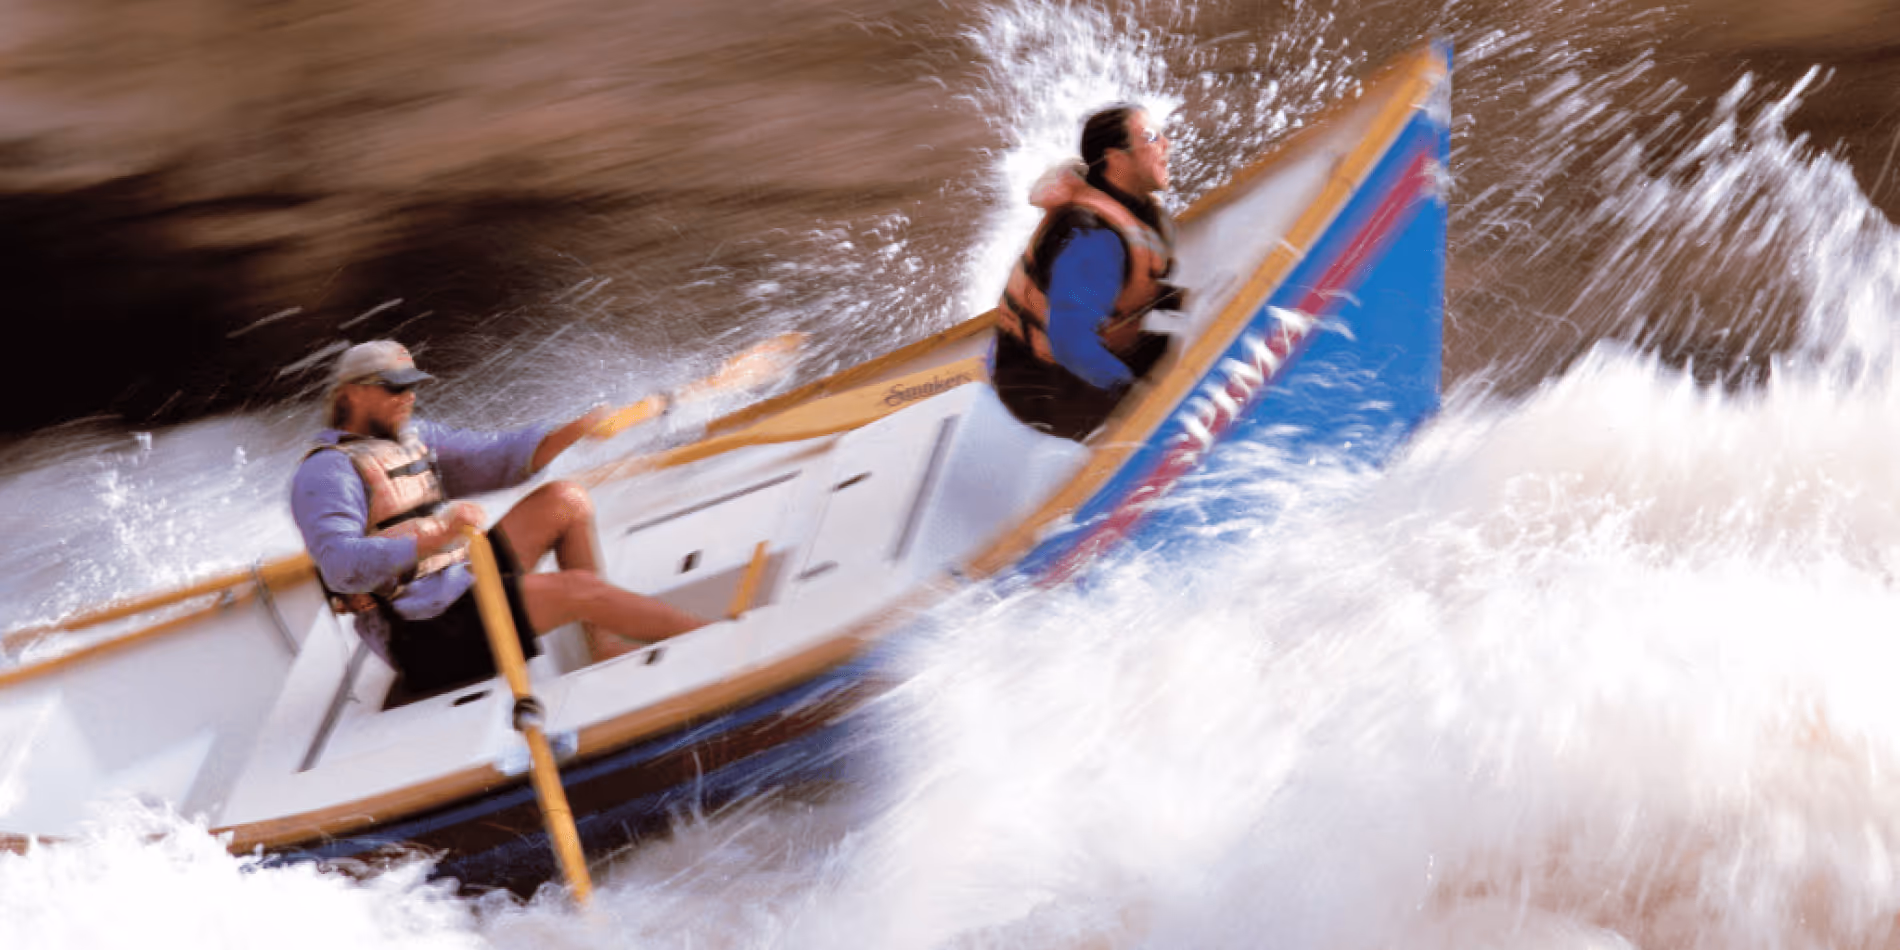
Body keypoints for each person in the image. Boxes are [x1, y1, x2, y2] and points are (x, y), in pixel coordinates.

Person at [290, 340, 708, 695]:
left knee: (564, 499)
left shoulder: (413, 438)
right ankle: (709, 638)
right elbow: (340, 565)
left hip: (460, 580)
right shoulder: (325, 473)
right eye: (394, 389)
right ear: (352, 395)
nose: (409, 398)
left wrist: (573, 431)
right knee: (579, 590)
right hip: (424, 632)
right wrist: (432, 540)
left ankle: (605, 643)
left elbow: (495, 459)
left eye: (412, 387)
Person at [993, 103, 1188, 441]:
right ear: (1117, 159)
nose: (1166, 144)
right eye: (1152, 138)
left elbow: (1125, 286)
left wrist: (1170, 300)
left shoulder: (1134, 210)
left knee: (1170, 352)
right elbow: (1070, 345)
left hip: (1072, 358)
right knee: (1160, 381)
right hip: (1044, 388)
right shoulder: (1095, 238)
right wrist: (1136, 398)